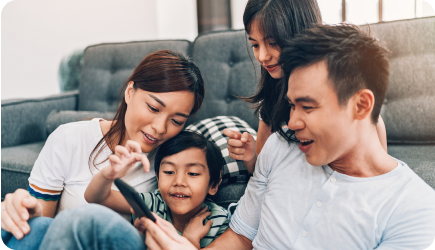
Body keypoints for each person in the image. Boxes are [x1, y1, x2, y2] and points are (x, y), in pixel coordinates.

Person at [138, 24, 435, 249]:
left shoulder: (414, 211)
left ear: (361, 105)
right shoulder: (280, 147)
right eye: (292, 106)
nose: (291, 122)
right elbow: (240, 236)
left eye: (307, 106)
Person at [1, 50, 205, 248]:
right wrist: (25, 211)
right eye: (153, 108)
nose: (160, 128)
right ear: (130, 92)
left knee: (88, 218)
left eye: (177, 121)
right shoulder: (69, 138)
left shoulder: (175, 163)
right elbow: (42, 227)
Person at [223, 0, 388, 173]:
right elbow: (262, 173)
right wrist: (250, 157)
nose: (262, 56)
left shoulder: (339, 81)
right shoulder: (273, 95)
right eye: (255, 45)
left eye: (272, 43)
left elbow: (378, 163)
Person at [84, 131, 229, 249]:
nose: (178, 182)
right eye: (169, 172)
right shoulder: (151, 204)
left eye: (193, 173)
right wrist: (108, 174)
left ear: (213, 185)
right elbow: (97, 198)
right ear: (158, 180)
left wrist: (190, 242)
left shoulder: (218, 222)